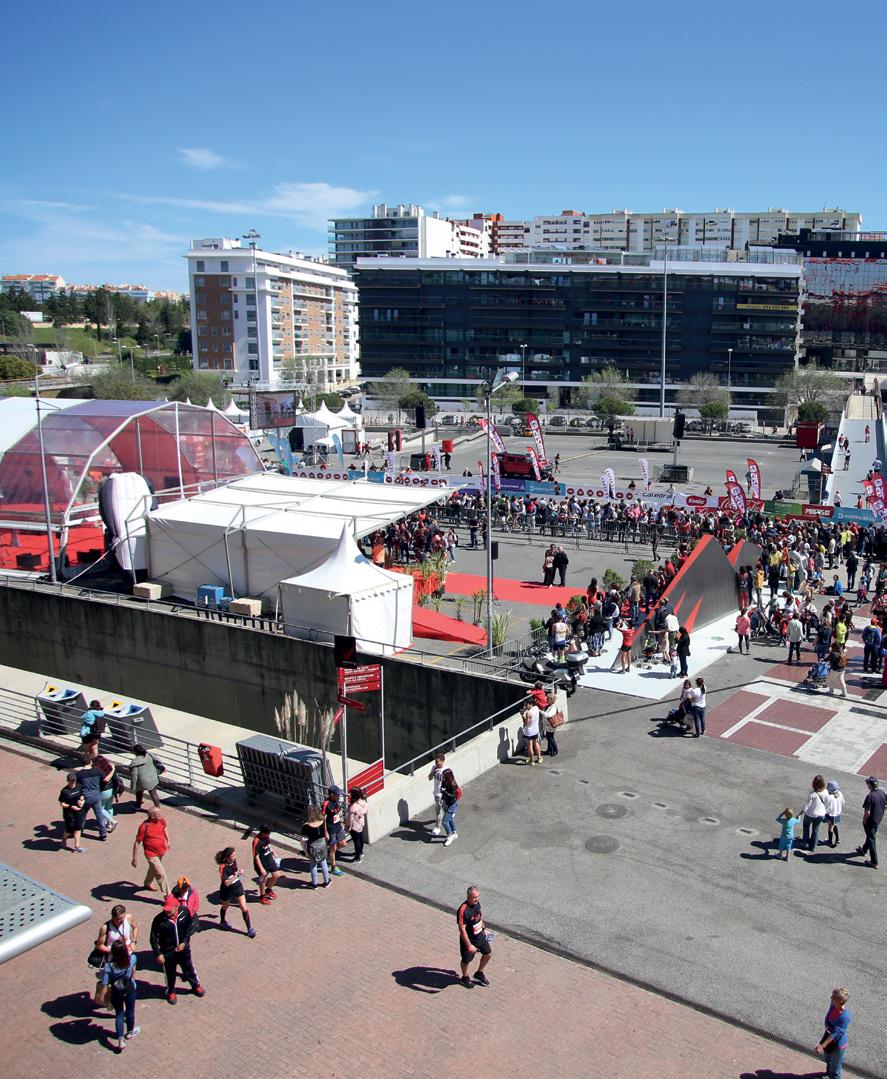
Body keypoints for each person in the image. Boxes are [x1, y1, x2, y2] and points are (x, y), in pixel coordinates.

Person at [150, 893, 205, 1003]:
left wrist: (184, 943)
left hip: (183, 949)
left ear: (177, 907)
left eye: (170, 909)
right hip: (168, 952)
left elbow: (189, 928)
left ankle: (196, 986)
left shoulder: (184, 912)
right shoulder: (159, 920)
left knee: (189, 968)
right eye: (166, 909)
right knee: (170, 973)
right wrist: (158, 954)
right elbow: (153, 938)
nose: (167, 911)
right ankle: (170, 991)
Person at [100, 940, 139, 1051]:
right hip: (129, 988)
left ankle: (121, 1040)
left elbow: (104, 982)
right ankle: (130, 1032)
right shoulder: (131, 959)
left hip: (116, 991)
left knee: (119, 1014)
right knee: (130, 1011)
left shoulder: (108, 965)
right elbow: (134, 959)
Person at [215, 846, 256, 936]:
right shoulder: (223, 867)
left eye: (234, 854)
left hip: (237, 886)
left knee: (244, 907)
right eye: (233, 855)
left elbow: (236, 872)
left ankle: (249, 929)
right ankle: (222, 921)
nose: (235, 856)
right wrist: (237, 875)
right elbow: (226, 883)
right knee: (225, 906)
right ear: (227, 857)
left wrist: (240, 875)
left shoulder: (234, 861)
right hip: (227, 889)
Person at [457, 886, 492, 988]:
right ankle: (464, 977)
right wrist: (469, 945)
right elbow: (462, 929)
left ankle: (479, 973)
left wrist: (484, 929)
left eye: (478, 896)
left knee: (488, 954)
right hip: (469, 940)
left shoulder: (477, 904)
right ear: (468, 897)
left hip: (480, 936)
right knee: (466, 961)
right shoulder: (463, 910)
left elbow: (479, 917)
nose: (477, 899)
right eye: (474, 897)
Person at [814, 987, 851, 1079]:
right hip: (829, 1036)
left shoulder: (845, 1017)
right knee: (828, 1059)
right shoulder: (834, 1005)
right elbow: (828, 1014)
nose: (831, 998)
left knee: (835, 1070)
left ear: (841, 1001)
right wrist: (827, 1024)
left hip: (838, 1044)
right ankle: (828, 1073)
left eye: (833, 997)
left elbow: (836, 1033)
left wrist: (822, 1046)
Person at [132, 806, 170, 895]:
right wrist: (135, 858)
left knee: (153, 869)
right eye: (159, 814)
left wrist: (168, 840)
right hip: (151, 854)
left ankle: (147, 883)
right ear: (152, 816)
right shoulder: (144, 827)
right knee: (161, 874)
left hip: (161, 852)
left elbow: (164, 828)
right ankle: (168, 897)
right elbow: (137, 843)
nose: (161, 815)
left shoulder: (161, 820)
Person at [855, 775, 885, 869]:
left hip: (871, 821)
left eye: (867, 783)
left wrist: (864, 820)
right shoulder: (881, 792)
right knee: (870, 835)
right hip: (878, 818)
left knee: (871, 839)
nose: (867, 784)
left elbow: (867, 812)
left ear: (870, 785)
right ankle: (864, 849)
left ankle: (874, 862)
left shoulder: (870, 796)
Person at [76, 753, 108, 841]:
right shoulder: (97, 771)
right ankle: (103, 833)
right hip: (96, 796)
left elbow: (77, 787)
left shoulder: (79, 774)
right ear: (90, 762)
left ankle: (80, 829)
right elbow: (105, 779)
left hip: (85, 797)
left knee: (82, 815)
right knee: (99, 815)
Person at [322, 785, 349, 876]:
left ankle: (329, 855)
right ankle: (333, 867)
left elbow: (337, 812)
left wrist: (341, 822)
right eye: (337, 794)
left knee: (343, 843)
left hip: (338, 826)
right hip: (331, 829)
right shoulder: (326, 804)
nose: (339, 796)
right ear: (332, 794)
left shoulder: (336, 801)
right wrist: (325, 831)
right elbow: (323, 818)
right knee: (333, 848)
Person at [252, 826, 282, 904]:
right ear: (263, 833)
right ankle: (262, 896)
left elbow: (268, 845)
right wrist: (261, 869)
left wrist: (273, 852)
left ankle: (268, 890)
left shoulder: (267, 837)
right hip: (261, 863)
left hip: (269, 859)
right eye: (268, 834)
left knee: (277, 875)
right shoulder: (256, 841)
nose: (269, 835)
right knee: (263, 880)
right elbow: (256, 856)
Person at [58, 770, 85, 853]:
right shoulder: (64, 791)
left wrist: (82, 801)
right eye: (71, 781)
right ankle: (64, 838)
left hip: (79, 812)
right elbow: (62, 803)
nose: (73, 783)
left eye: (74, 781)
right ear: (68, 781)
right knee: (69, 830)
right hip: (69, 813)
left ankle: (77, 847)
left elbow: (82, 796)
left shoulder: (79, 786)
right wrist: (71, 806)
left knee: (78, 828)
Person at [801, 774, 829, 851]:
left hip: (810, 814)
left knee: (806, 826)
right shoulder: (826, 792)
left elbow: (807, 806)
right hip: (821, 814)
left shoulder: (812, 794)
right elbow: (827, 802)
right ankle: (812, 846)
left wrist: (800, 813)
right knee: (815, 829)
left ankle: (805, 843)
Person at [129, 745, 161, 809]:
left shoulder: (135, 761)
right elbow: (158, 760)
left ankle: (138, 805)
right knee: (153, 793)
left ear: (135, 752)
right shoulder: (148, 755)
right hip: (153, 777)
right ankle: (157, 807)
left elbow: (134, 775)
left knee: (139, 791)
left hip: (142, 781)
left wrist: (133, 786)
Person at [439, 769, 461, 846]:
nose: (443, 777)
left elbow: (453, 797)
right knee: (450, 819)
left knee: (444, 821)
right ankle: (454, 833)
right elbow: (443, 790)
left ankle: (449, 836)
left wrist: (443, 791)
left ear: (448, 777)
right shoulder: (445, 782)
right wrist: (442, 799)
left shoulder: (453, 785)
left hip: (452, 805)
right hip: (446, 804)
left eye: (444, 776)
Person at [347, 787, 368, 863]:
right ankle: (360, 852)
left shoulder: (353, 806)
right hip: (361, 823)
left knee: (356, 841)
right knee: (360, 838)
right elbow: (365, 809)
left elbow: (350, 818)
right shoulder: (362, 802)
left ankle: (357, 857)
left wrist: (348, 826)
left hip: (354, 825)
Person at [428, 753, 447, 836]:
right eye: (435, 761)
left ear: (442, 761)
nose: (436, 763)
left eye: (437, 762)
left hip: (442, 794)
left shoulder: (446, 770)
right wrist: (433, 772)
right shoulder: (434, 768)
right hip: (436, 793)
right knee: (439, 811)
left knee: (441, 810)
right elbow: (429, 778)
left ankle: (437, 827)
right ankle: (438, 826)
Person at [520, 699, 542, 766]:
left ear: (530, 704)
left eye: (526, 704)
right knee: (536, 743)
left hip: (529, 732)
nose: (525, 706)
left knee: (530, 746)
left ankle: (531, 761)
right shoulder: (536, 708)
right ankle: (539, 758)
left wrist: (522, 715)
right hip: (535, 730)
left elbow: (526, 724)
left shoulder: (528, 713)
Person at [540, 690, 560, 757]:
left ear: (551, 700)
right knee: (549, 738)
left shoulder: (553, 707)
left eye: (547, 699)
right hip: (548, 726)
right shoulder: (549, 706)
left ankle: (555, 750)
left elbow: (549, 715)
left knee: (551, 738)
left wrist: (541, 712)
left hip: (551, 726)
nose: (546, 700)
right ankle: (549, 750)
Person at [826, 781, 845, 848]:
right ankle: (837, 839)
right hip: (837, 813)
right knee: (834, 825)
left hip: (831, 814)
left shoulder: (830, 797)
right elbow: (843, 802)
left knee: (830, 827)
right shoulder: (840, 794)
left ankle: (830, 841)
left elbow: (828, 807)